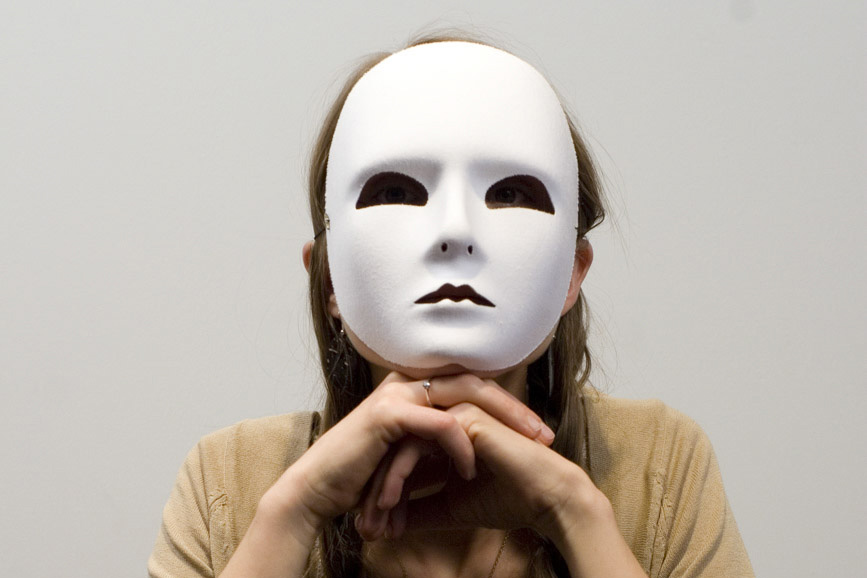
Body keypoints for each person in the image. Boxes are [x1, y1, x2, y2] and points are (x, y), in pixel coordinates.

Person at [149, 34, 754, 578]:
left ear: (573, 275)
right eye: (395, 192)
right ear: (328, 278)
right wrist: (292, 511)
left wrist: (574, 511)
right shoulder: (229, 480)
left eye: (511, 193)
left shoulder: (659, 465)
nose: (456, 232)